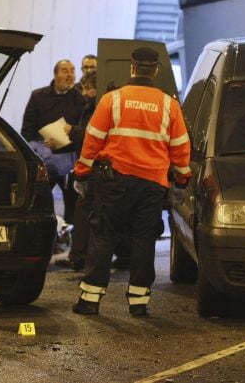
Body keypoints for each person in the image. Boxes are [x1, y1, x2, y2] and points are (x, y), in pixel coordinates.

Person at [71, 47, 191, 317]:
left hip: (115, 181)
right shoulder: (169, 104)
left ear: (132, 68)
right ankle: (138, 303)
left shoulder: (112, 99)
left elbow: (92, 140)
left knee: (103, 237)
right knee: (143, 240)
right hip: (152, 185)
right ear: (156, 71)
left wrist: (81, 174)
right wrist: (182, 178)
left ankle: (90, 300)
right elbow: (181, 147)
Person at [21, 59, 85, 224]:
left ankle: (71, 239)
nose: (70, 75)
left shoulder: (81, 99)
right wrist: (37, 147)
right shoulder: (38, 96)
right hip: (44, 160)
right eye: (65, 70)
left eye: (72, 70)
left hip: (69, 161)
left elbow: (83, 131)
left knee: (72, 206)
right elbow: (27, 129)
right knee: (39, 204)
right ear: (55, 74)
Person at [54, 72, 98, 270]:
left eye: (88, 88)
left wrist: (71, 131)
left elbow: (91, 133)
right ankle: (80, 255)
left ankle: (78, 256)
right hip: (91, 167)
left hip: (93, 168)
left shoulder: (97, 106)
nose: (85, 92)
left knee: (83, 210)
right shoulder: (89, 106)